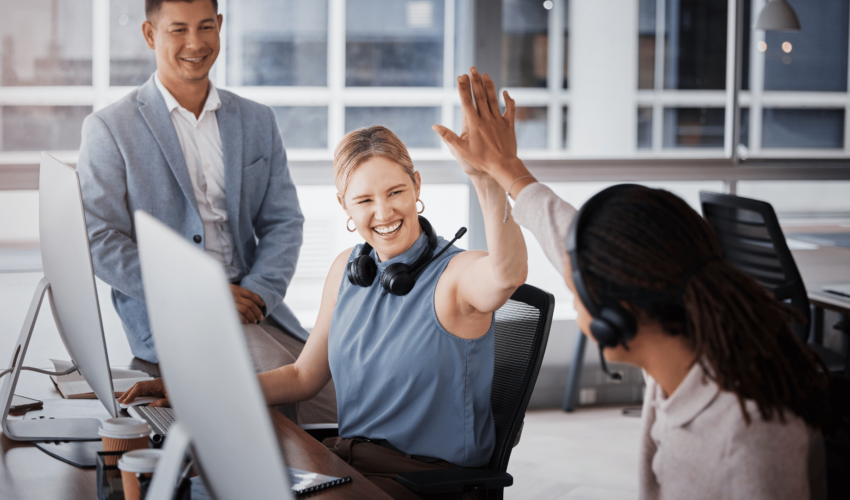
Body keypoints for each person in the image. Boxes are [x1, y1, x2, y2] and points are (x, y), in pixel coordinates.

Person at [431, 68, 831, 499]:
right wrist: (507, 170)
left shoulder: (753, 435)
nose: (571, 278)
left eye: (577, 282)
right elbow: (565, 234)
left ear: (615, 315)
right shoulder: (684, 355)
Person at [122, 116, 528, 498]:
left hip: (422, 482)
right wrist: (194, 392)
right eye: (364, 199)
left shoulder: (456, 274)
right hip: (342, 462)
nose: (383, 212)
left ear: (417, 186)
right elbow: (302, 376)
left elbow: (506, 274)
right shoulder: (349, 269)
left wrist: (487, 179)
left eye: (396, 192)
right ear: (344, 206)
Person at [78, 0, 336, 424]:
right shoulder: (110, 128)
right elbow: (98, 239)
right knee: (279, 391)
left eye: (205, 27)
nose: (194, 43)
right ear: (150, 35)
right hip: (171, 314)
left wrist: (257, 294)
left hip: (255, 306)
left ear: (219, 26)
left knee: (340, 404)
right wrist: (205, 296)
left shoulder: (257, 120)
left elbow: (283, 222)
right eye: (177, 29)